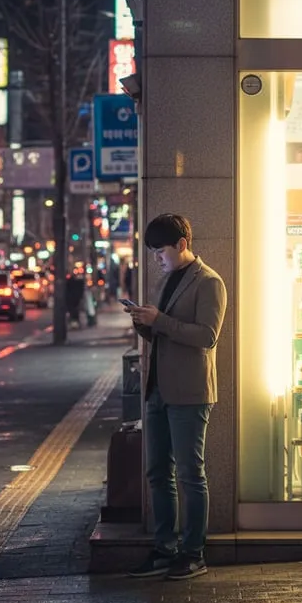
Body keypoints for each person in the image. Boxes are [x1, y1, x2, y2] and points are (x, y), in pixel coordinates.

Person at [124, 214, 227, 581]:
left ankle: (193, 551)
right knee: (157, 472)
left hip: (190, 392)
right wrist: (144, 324)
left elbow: (207, 336)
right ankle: (164, 548)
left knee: (189, 473)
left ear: (182, 244)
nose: (156, 258)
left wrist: (160, 322)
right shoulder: (166, 280)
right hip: (157, 390)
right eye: (152, 252)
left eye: (160, 251)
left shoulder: (209, 282)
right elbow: (164, 333)